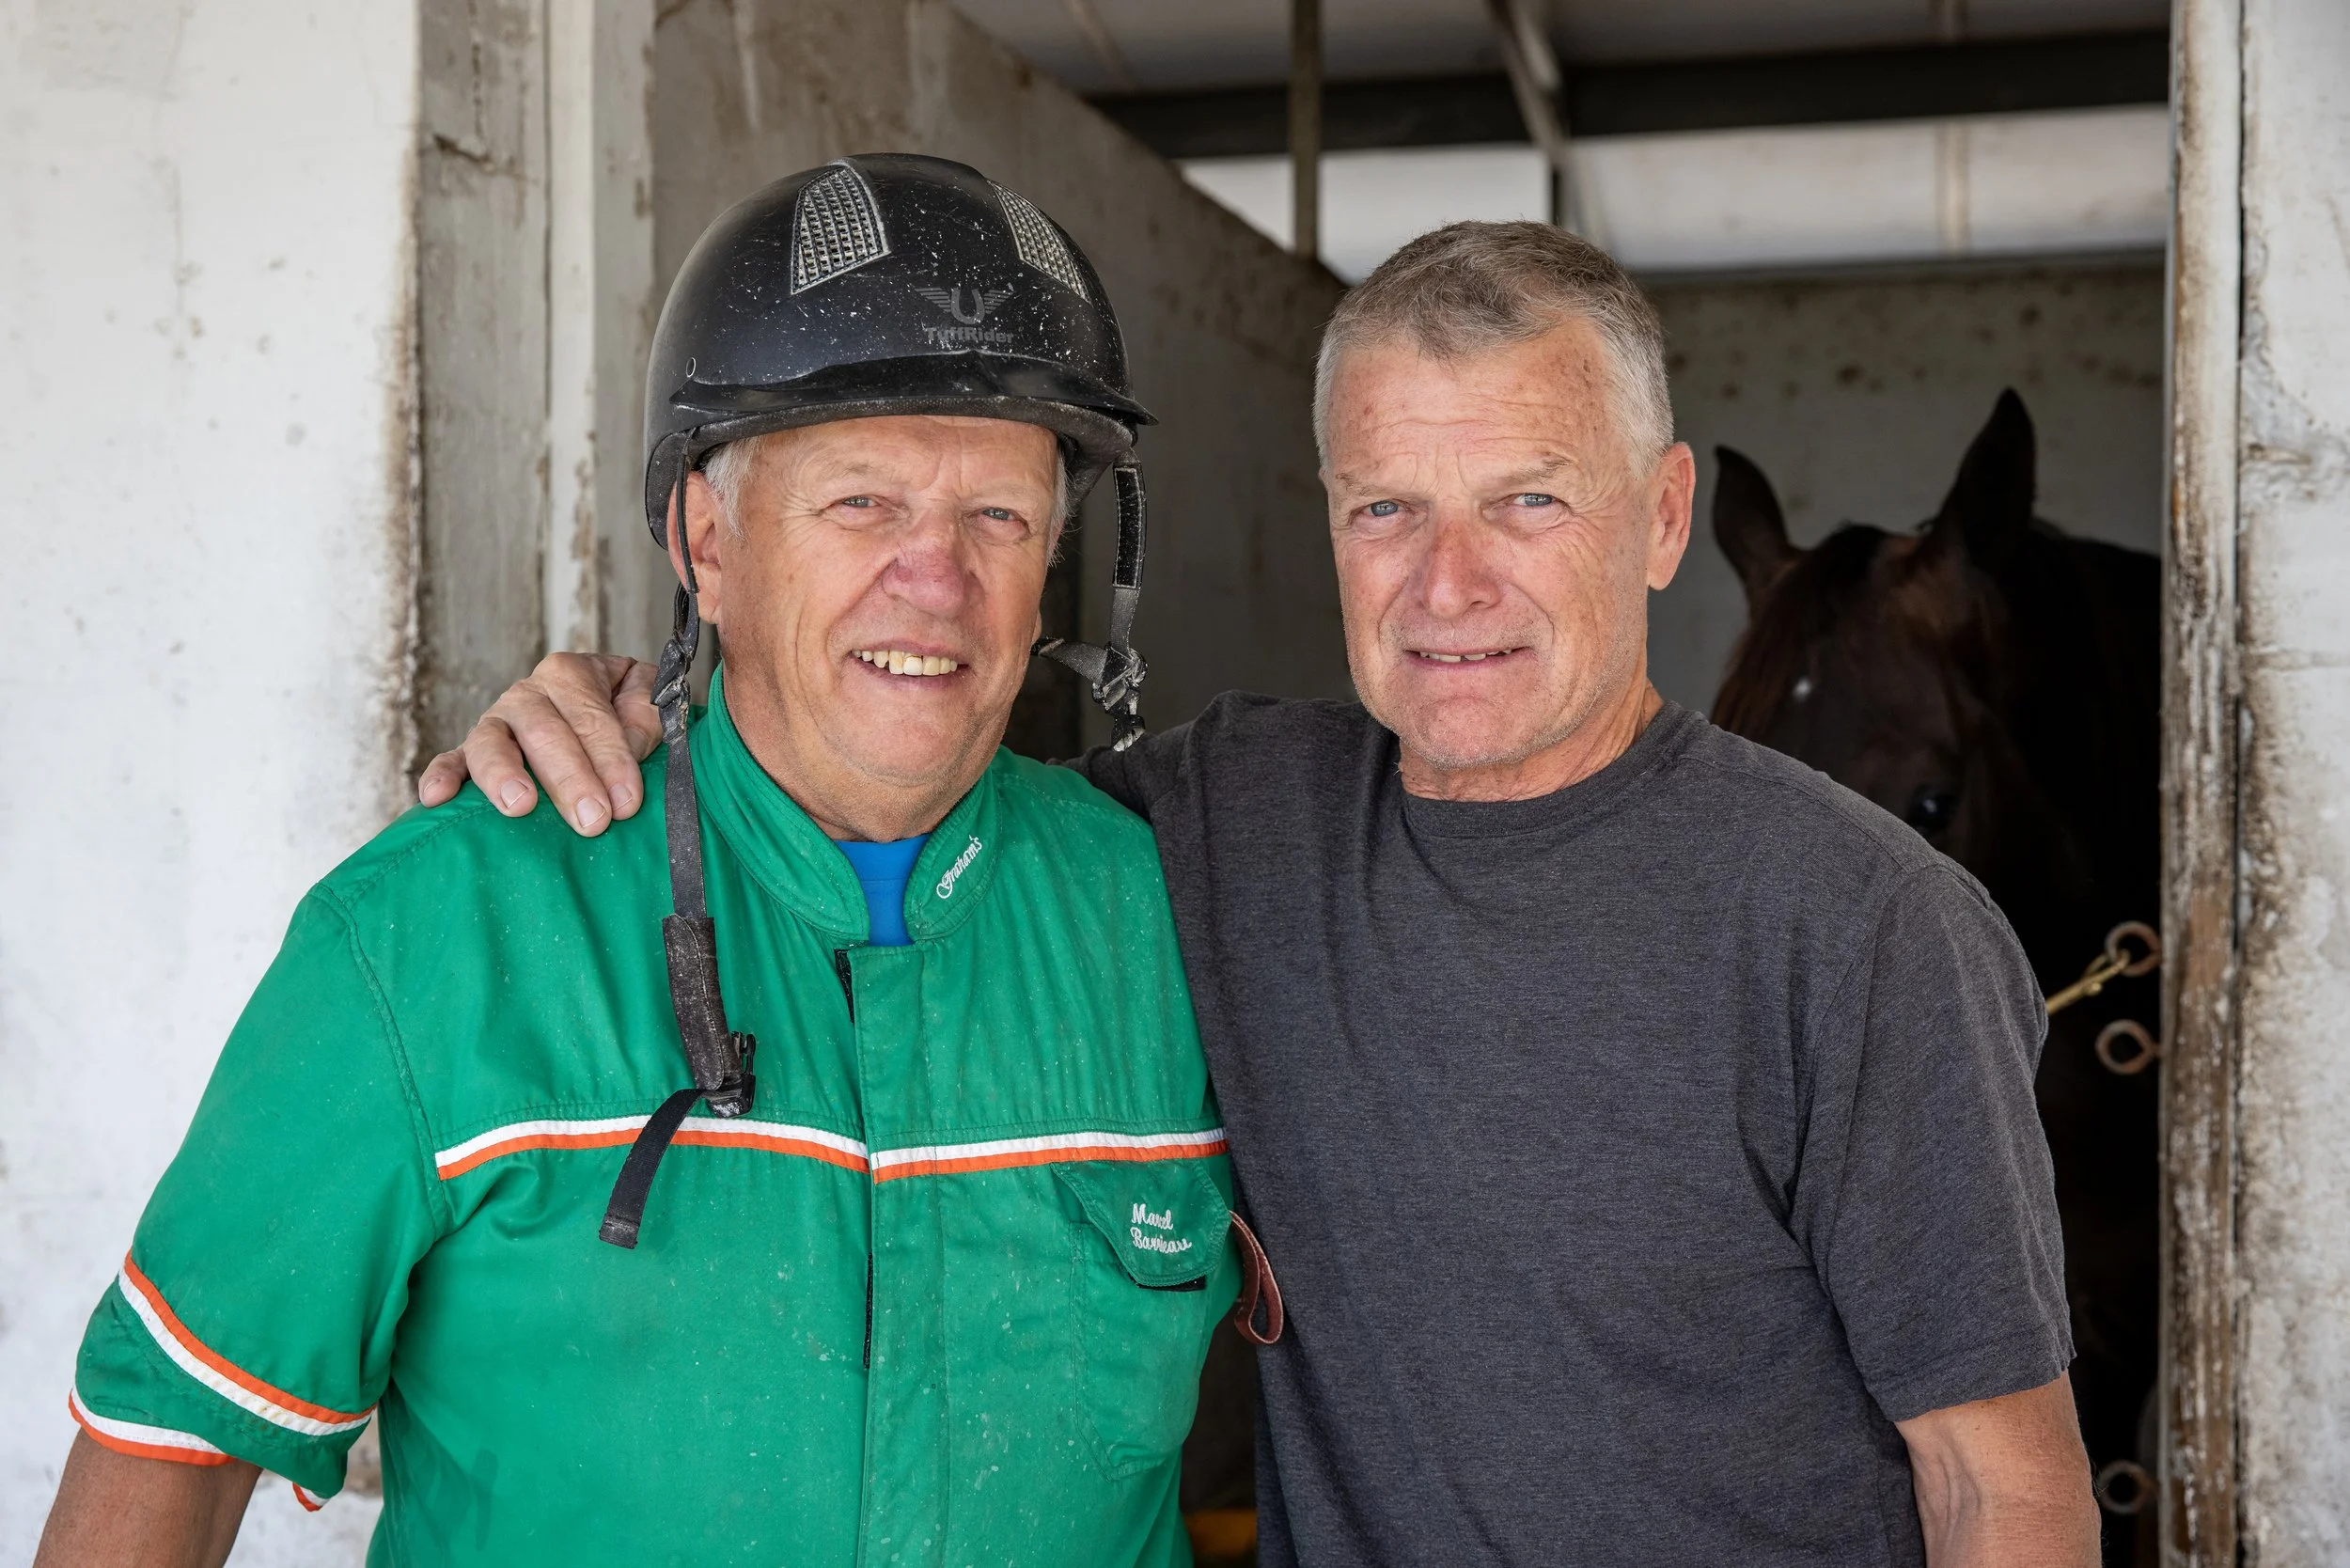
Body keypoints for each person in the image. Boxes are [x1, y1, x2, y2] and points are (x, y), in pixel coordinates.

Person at [440, 221, 2103, 1566]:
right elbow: (877, 780)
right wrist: (636, 706)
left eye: (1529, 500)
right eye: (1389, 508)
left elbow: (2002, 1492)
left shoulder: (1867, 928)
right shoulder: (1230, 822)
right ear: (1332, 521)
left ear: (1662, 519)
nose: (1449, 584)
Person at [37, 154, 1261, 1568]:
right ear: (705, 541)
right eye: (861, 502)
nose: (937, 579)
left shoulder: (1174, 922)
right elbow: (168, 1458)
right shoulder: (442, 929)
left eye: (998, 515)